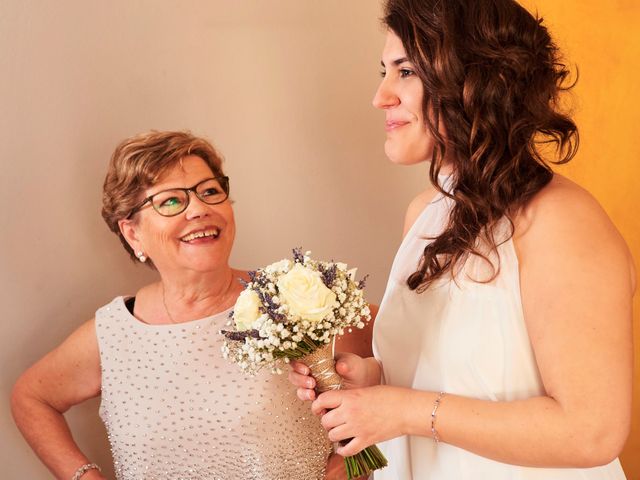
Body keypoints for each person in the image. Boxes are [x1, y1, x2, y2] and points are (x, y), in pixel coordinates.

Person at [289, 0, 635, 478]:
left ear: (476, 80)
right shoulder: (424, 215)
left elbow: (592, 431)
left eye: (405, 71)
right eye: (384, 71)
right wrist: (372, 381)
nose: (381, 96)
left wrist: (404, 410)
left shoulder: (559, 219)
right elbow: (458, 375)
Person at [11, 131, 345, 480]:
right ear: (133, 234)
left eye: (210, 191)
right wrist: (84, 475)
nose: (200, 209)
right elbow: (31, 398)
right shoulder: (114, 332)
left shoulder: (291, 299)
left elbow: (390, 378)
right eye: (170, 201)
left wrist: (347, 468)